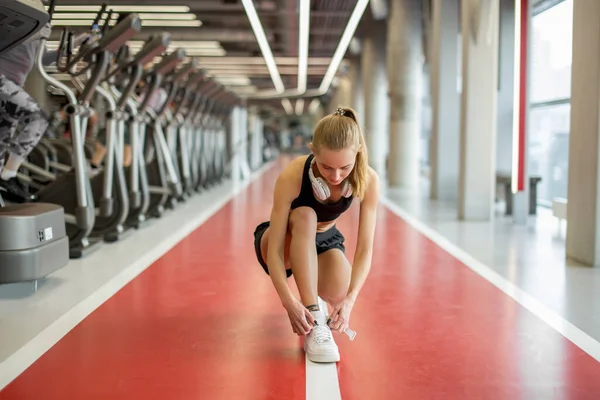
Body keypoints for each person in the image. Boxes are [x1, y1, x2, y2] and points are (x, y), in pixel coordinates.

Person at [253, 106, 379, 363]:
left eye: (344, 168)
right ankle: (314, 317)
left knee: (341, 291)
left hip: (325, 240)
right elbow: (275, 251)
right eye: (326, 167)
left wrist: (350, 301)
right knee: (306, 215)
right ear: (312, 150)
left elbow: (365, 249)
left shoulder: (368, 179)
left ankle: (311, 291)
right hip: (283, 241)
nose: (335, 176)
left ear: (357, 153)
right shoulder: (293, 174)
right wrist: (289, 302)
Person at [0, 22, 88, 202]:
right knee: (36, 117)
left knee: (2, 141)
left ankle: (4, 179)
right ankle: (8, 175)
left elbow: (44, 60)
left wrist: (76, 43)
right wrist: (31, 31)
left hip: (13, 84)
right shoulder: (15, 13)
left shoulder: (37, 18)